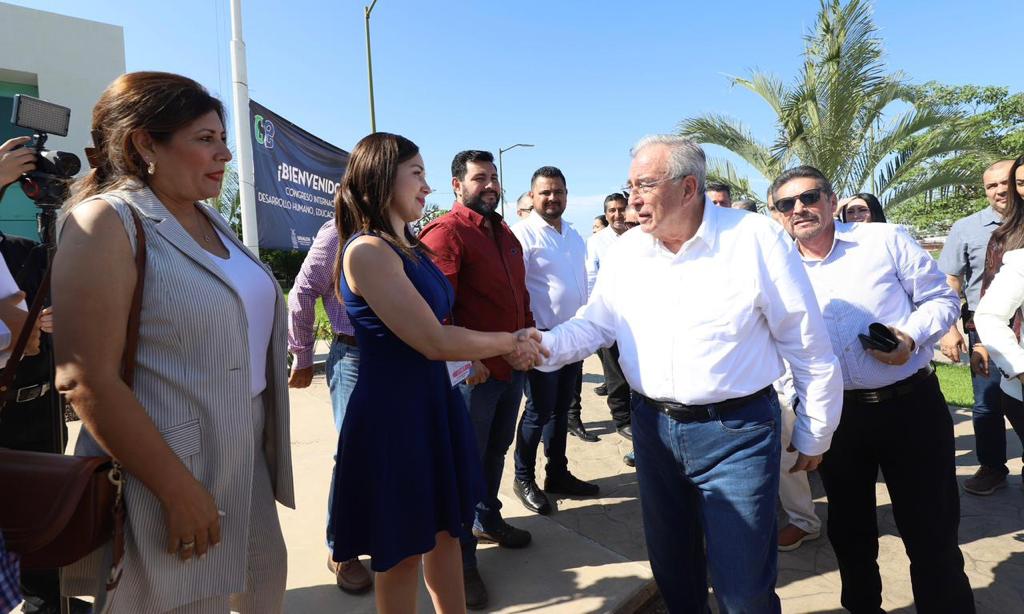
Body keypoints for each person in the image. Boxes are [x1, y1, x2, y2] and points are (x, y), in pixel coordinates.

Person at [539, 136, 843, 612]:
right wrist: (540, 347)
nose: (633, 200)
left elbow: (806, 342)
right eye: (630, 186)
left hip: (737, 433)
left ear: (687, 188)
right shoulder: (627, 251)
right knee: (674, 571)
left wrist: (815, 430)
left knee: (743, 585)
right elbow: (596, 323)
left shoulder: (754, 239)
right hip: (653, 429)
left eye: (644, 185)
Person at [53, 72, 294, 613]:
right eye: (205, 139)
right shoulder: (107, 221)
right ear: (145, 144)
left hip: (243, 457)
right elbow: (84, 378)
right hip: (163, 470)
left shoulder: (208, 219)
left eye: (222, 139)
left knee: (263, 591)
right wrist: (176, 489)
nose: (225, 154)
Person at [330, 132, 543, 614]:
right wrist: (510, 341)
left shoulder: (409, 246)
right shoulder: (368, 251)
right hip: (395, 416)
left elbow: (446, 326)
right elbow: (433, 340)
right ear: (382, 178)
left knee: (447, 533)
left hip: (433, 404)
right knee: (402, 553)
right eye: (417, 174)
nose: (427, 186)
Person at [772, 164, 975, 613]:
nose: (799, 208)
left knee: (931, 530)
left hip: (911, 406)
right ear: (777, 214)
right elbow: (780, 344)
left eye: (809, 197)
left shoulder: (883, 240)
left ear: (831, 201)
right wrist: (801, 411)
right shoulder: (775, 268)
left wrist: (910, 337)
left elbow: (941, 298)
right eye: (786, 204)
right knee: (850, 532)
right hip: (838, 416)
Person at [419, 150, 535, 610]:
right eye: (479, 178)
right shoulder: (446, 232)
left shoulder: (504, 232)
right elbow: (433, 306)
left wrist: (527, 341)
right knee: (463, 464)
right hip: (474, 377)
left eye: (493, 177)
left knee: (493, 452)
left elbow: (520, 295)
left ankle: (488, 519)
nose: (489, 185)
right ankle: (462, 560)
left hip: (510, 369)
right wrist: (465, 361)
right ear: (457, 185)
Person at [286, 219, 372, 593]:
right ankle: (342, 549)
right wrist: (303, 354)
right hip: (354, 356)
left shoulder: (401, 230)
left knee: (389, 452)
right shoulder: (340, 230)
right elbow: (303, 292)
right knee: (353, 456)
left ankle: (381, 532)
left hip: (397, 358)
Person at [511, 166, 599, 518]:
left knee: (561, 409)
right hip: (541, 339)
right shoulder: (522, 234)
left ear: (566, 194)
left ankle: (557, 473)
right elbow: (515, 289)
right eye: (545, 192)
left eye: (558, 191)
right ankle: (523, 478)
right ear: (532, 196)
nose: (552, 198)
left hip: (572, 337)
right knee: (538, 411)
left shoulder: (573, 235)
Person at [939, 160, 1018, 495]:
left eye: (1006, 182)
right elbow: (950, 279)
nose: (1000, 190)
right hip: (985, 329)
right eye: (991, 186)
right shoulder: (967, 228)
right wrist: (949, 328)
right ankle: (992, 467)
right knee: (988, 402)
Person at [765, 190, 822, 552]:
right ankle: (802, 519)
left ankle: (813, 520)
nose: (792, 212)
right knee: (786, 448)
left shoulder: (819, 254)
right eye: (781, 207)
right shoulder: (763, 254)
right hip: (777, 373)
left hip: (824, 368)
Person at [971, 154, 1024, 492]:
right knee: (986, 408)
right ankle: (992, 467)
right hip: (1011, 354)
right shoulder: (1009, 240)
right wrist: (1017, 365)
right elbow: (988, 303)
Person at [581, 193, 634, 452]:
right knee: (615, 372)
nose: (617, 215)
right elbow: (591, 279)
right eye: (612, 210)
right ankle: (622, 419)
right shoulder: (597, 242)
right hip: (609, 316)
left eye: (621, 209)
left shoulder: (640, 236)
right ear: (606, 213)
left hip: (637, 317)